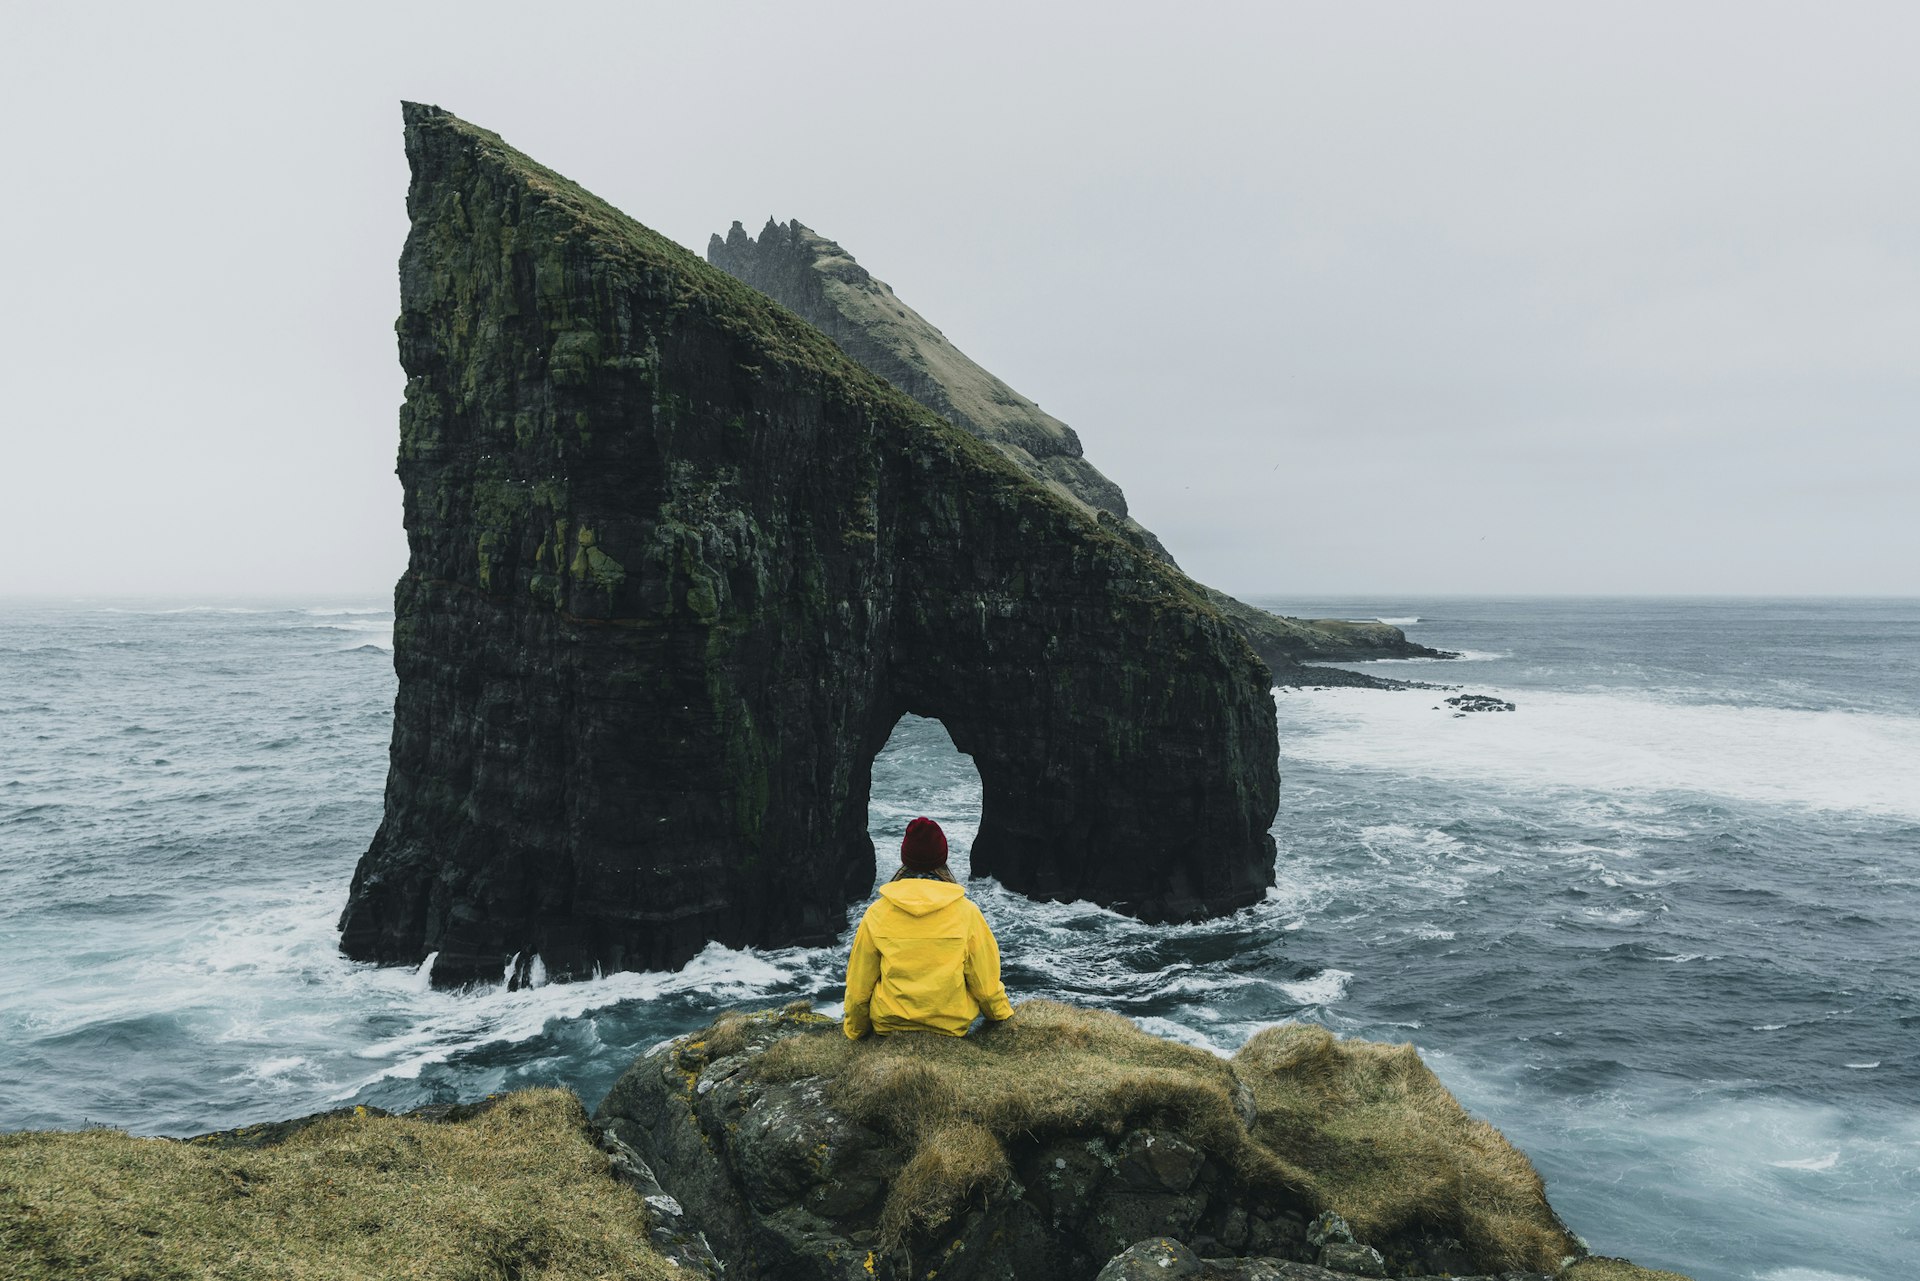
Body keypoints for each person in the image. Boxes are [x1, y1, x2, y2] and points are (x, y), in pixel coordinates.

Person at [841, 817, 1014, 1040]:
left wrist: (855, 1031)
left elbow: (858, 988)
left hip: (890, 1025)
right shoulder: (967, 912)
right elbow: (986, 985)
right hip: (949, 1027)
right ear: (942, 857)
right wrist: (1001, 1016)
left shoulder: (877, 912)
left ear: (905, 857)